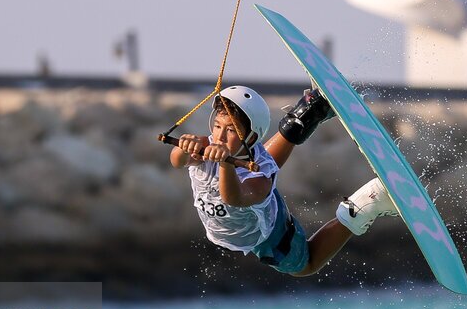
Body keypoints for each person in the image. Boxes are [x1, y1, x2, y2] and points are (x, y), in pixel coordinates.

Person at [169, 85, 398, 276]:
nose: (219, 136)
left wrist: (225, 164)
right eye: (217, 126)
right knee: (262, 163)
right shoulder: (209, 145)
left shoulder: (260, 182)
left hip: (264, 231)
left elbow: (234, 198)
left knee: (305, 265)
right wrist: (184, 147)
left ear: (252, 136)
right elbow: (177, 161)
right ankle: (308, 112)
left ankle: (367, 204)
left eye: (230, 131)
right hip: (239, 219)